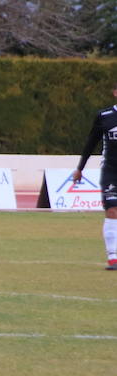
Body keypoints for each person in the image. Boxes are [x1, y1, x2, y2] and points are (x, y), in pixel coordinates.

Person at [71, 82, 117, 270]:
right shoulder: (105, 116)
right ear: (115, 93)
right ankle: (113, 257)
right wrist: (80, 168)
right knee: (112, 210)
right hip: (111, 172)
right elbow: (91, 142)